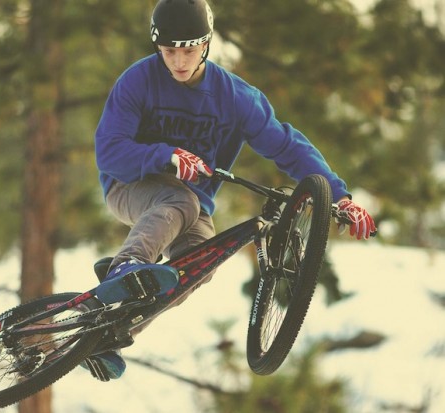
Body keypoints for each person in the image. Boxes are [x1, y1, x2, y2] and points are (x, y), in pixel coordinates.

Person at [83, 0, 376, 381]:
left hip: (193, 205)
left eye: (188, 50)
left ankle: (110, 336)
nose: (178, 61)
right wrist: (165, 156)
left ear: (206, 44)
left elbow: (287, 146)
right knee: (179, 199)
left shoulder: (235, 98)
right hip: (130, 185)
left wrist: (338, 196)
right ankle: (125, 267)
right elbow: (109, 152)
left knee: (200, 262)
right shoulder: (138, 81)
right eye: (169, 51)